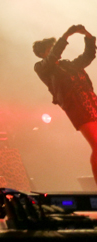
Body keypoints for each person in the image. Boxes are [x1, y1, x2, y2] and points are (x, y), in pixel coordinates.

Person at [34, 24, 97, 180]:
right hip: (77, 107)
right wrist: (66, 35)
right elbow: (54, 56)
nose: (57, 51)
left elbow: (88, 56)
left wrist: (88, 36)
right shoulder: (42, 68)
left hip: (91, 101)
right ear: (43, 54)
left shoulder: (68, 64)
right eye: (51, 48)